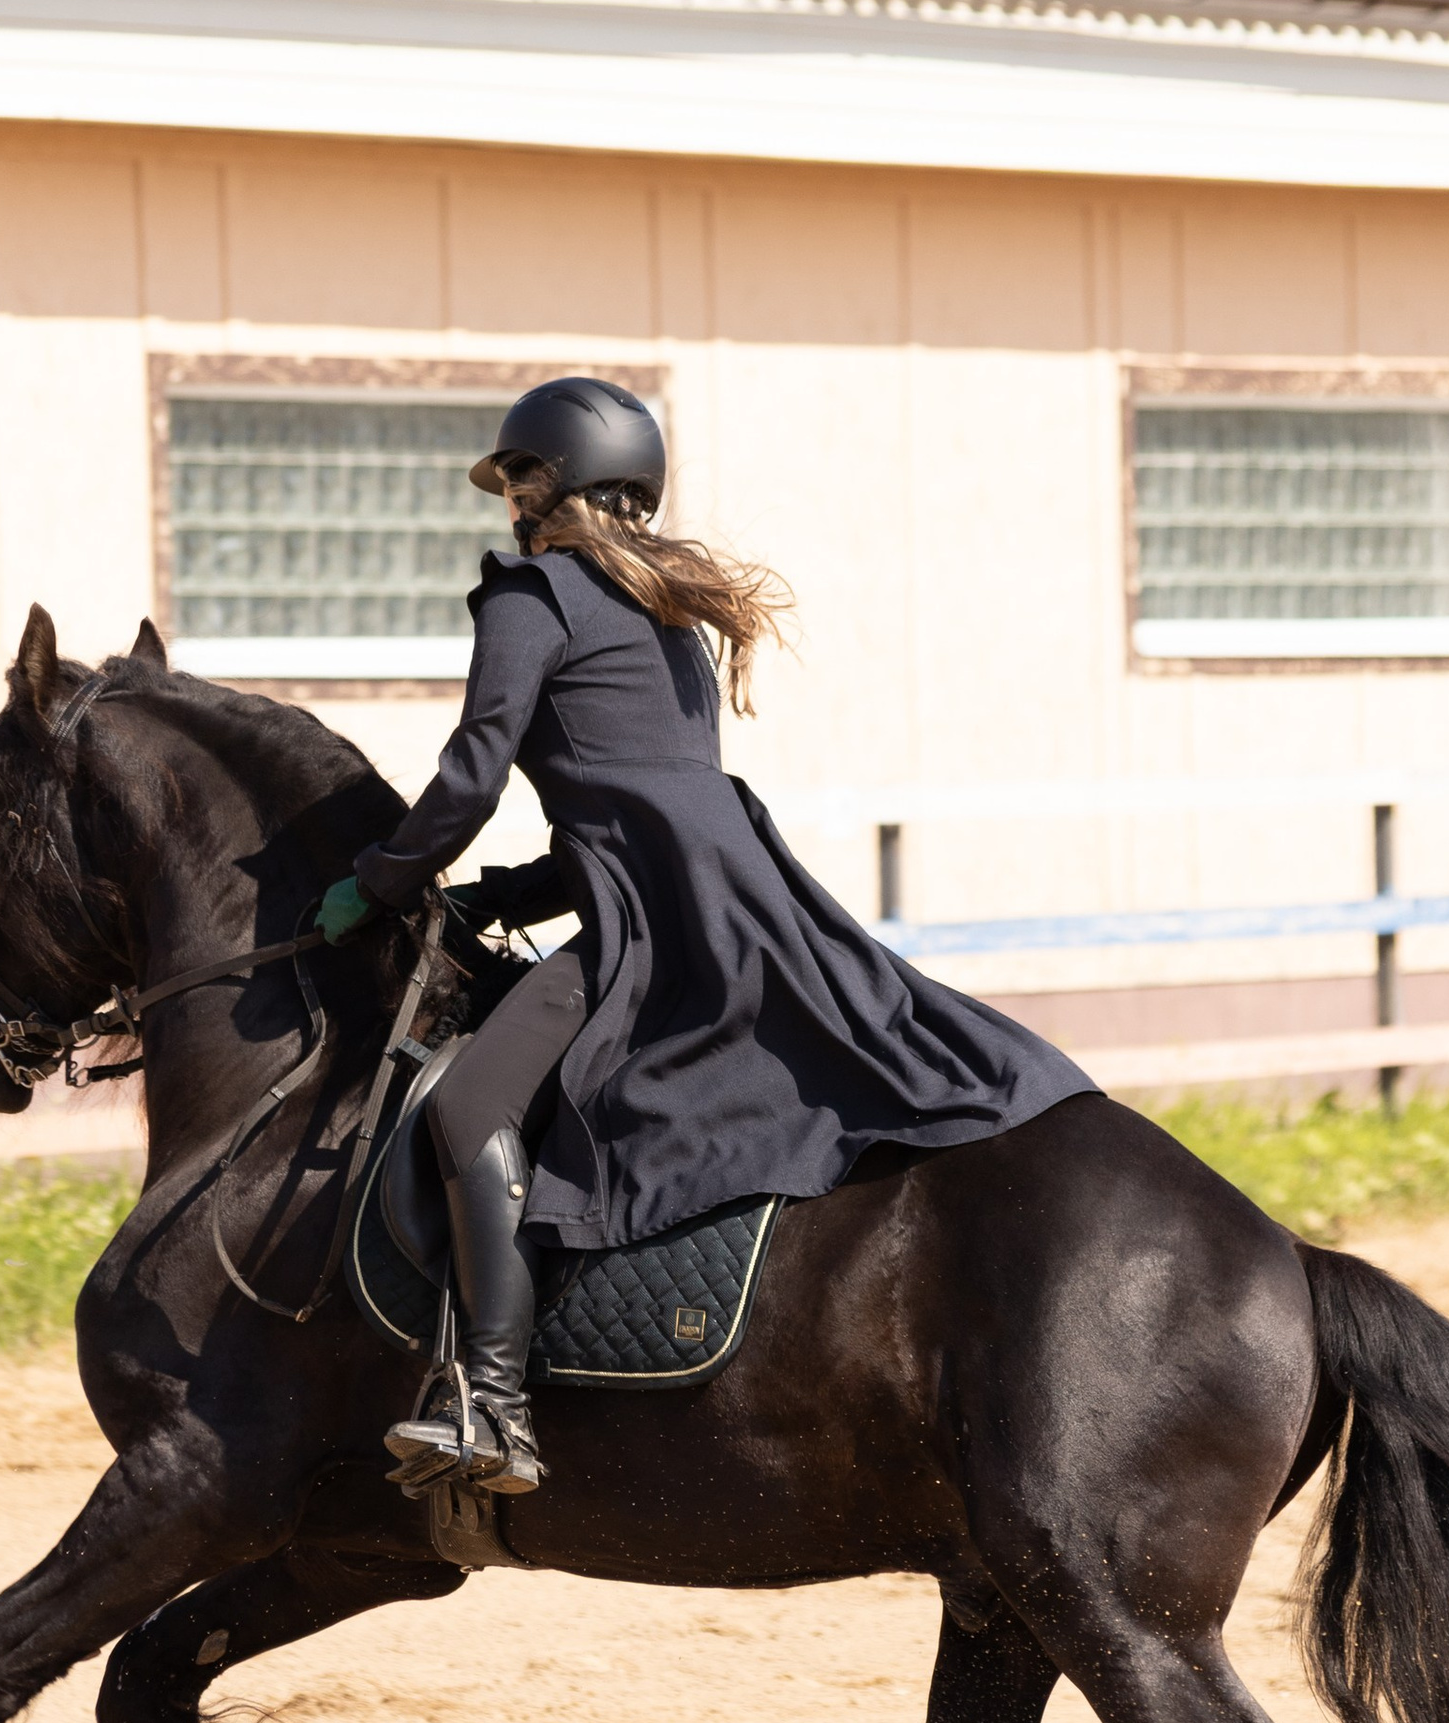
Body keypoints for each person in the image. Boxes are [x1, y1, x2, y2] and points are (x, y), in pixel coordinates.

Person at [317, 376, 1094, 1498]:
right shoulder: (669, 614)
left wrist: (381, 879)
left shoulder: (532, 596)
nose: (509, 504)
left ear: (554, 484)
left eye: (518, 480)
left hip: (650, 925)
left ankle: (491, 1403)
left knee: (464, 1110)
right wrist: (508, 897)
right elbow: (643, 802)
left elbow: (473, 776)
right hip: (734, 903)